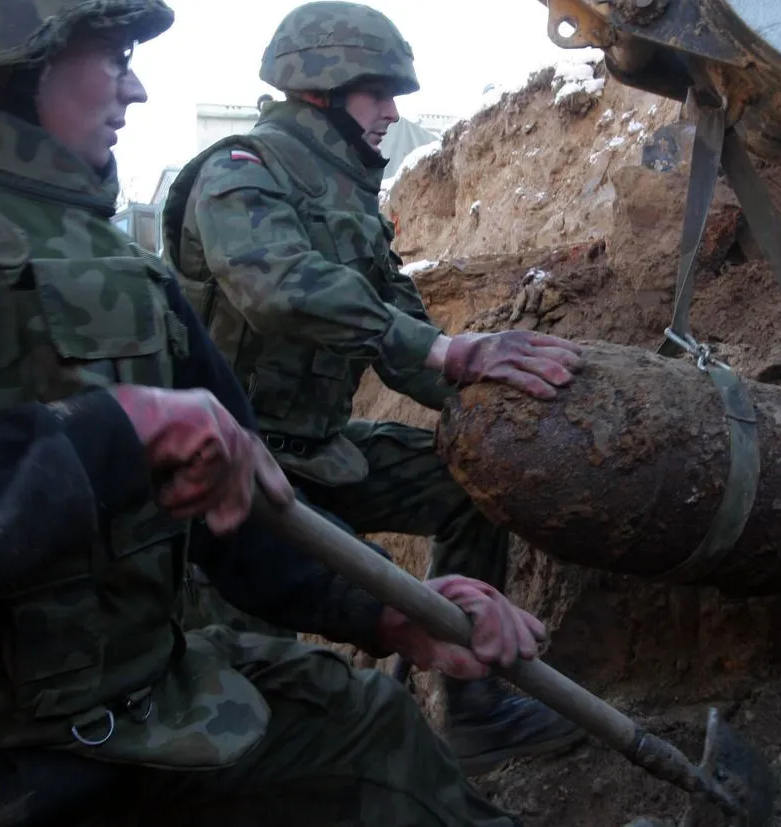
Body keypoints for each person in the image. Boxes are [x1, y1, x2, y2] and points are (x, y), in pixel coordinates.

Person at [0, 1, 545, 824]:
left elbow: (238, 517)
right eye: (113, 55)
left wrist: (379, 609)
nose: (134, 87)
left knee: (371, 727)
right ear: (6, 57)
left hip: (134, 686)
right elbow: (275, 293)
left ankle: (476, 713)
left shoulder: (110, 256)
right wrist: (112, 438)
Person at [161, 0, 589, 776]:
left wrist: (492, 403)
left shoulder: (351, 199)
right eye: (378, 93)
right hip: (232, 471)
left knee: (469, 482)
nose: (394, 112)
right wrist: (446, 349)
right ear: (322, 90)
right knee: (254, 687)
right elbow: (278, 286)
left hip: (320, 453)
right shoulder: (239, 173)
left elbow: (404, 340)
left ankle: (478, 709)